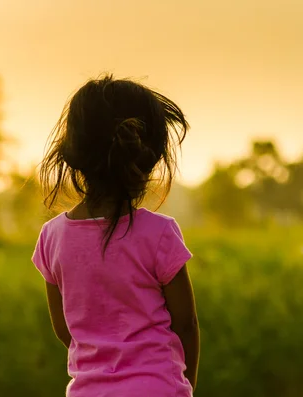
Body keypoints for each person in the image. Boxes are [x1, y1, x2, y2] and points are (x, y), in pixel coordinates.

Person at [32, 75, 200, 396]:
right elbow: (186, 325)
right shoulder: (160, 233)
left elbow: (66, 331)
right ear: (147, 160)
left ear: (71, 155)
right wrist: (185, 385)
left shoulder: (51, 237)